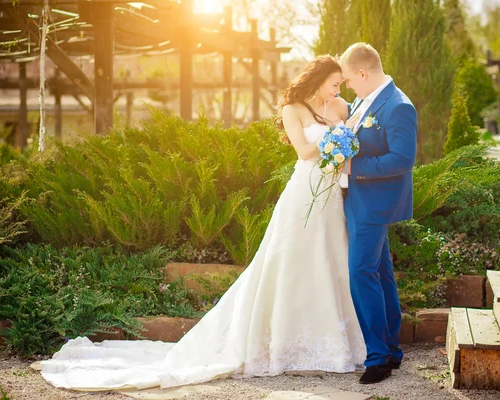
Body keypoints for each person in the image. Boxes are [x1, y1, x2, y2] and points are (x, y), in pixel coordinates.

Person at [40, 55, 366, 391]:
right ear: (319, 79)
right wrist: (331, 141)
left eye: (341, 84)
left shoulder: (341, 108)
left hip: (329, 194)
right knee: (292, 261)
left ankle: (335, 340)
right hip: (303, 192)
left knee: (330, 260)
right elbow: (302, 152)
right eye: (335, 82)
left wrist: (345, 146)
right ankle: (283, 342)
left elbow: (351, 147)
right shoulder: (293, 109)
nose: (338, 88)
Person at [340, 42, 417, 384]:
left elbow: (402, 159)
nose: (347, 87)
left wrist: (352, 166)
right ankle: (390, 349)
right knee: (380, 272)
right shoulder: (362, 100)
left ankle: (378, 358)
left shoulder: (398, 106)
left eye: (349, 80)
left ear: (363, 73)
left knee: (360, 272)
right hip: (359, 199)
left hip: (375, 203)